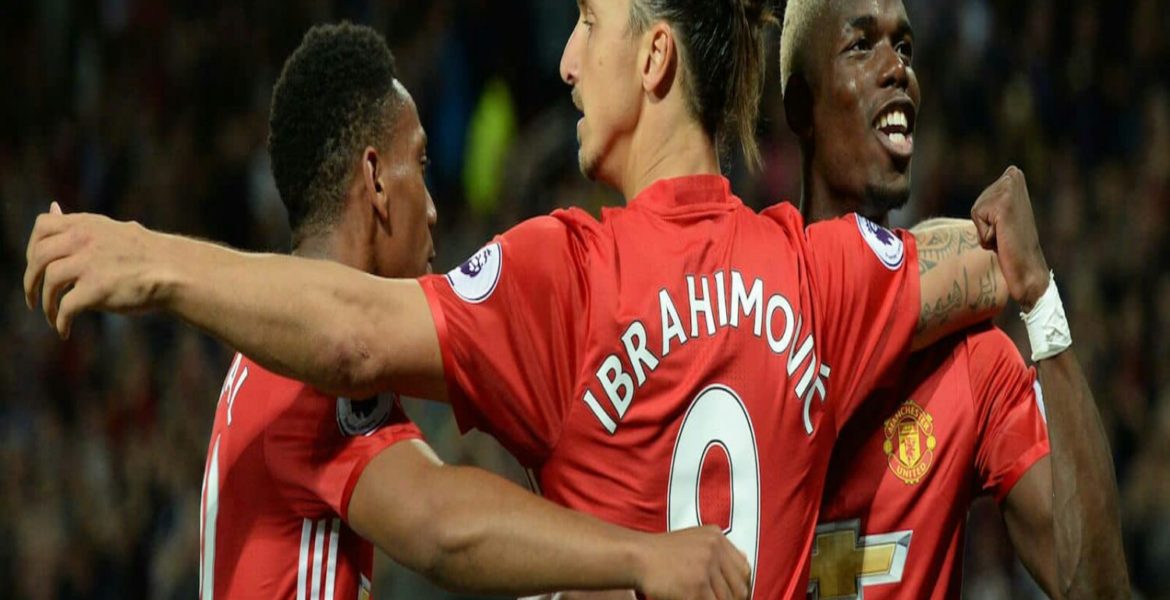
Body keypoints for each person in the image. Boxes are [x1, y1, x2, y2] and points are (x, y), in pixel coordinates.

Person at [24, 1, 1051, 596]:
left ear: (654, 58)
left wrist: (153, 261)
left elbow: (359, 343)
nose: (564, 59)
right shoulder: (817, 270)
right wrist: (1008, 251)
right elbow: (980, 260)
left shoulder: (569, 273)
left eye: (588, 22)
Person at [190, 22, 751, 600]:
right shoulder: (312, 367)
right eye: (421, 164)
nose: (433, 209)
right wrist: (640, 556)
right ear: (376, 180)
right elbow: (438, 528)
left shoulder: (267, 357)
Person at [777, 0, 1129, 598]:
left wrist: (1040, 297)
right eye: (861, 46)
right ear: (799, 106)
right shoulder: (745, 310)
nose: (898, 68)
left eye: (905, 48)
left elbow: (1099, 589)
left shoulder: (974, 363)